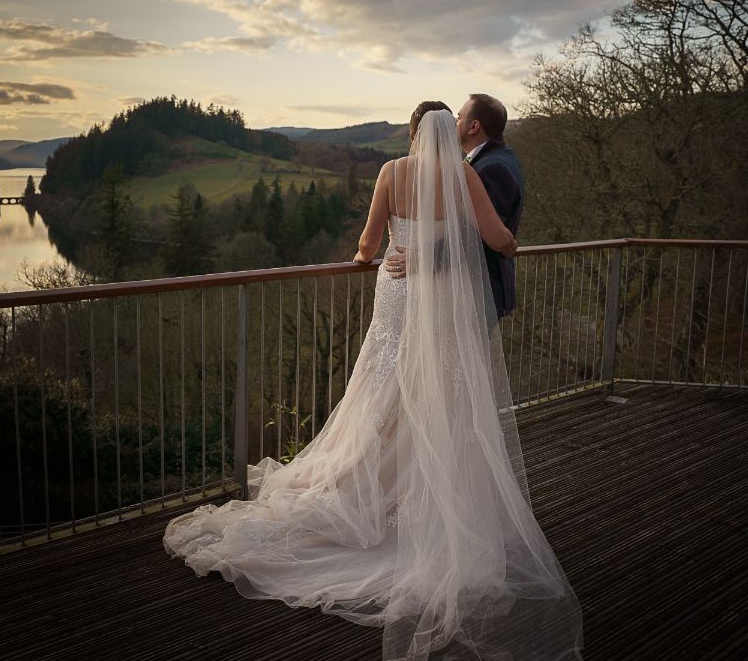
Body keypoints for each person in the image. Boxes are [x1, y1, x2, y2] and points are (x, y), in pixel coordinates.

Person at [162, 108, 582, 661]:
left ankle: (368, 491)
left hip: (396, 293)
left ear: (411, 132)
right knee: (439, 398)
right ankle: (415, 500)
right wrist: (486, 248)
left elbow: (367, 243)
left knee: (378, 393)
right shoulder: (465, 176)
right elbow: (501, 240)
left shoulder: (390, 171)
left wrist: (370, 258)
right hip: (443, 300)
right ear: (447, 132)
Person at [386, 94, 525, 324]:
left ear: (474, 126)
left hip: (479, 288)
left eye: (459, 117)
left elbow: (475, 233)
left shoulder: (491, 168)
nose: (454, 122)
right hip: (460, 285)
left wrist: (424, 257)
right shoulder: (493, 159)